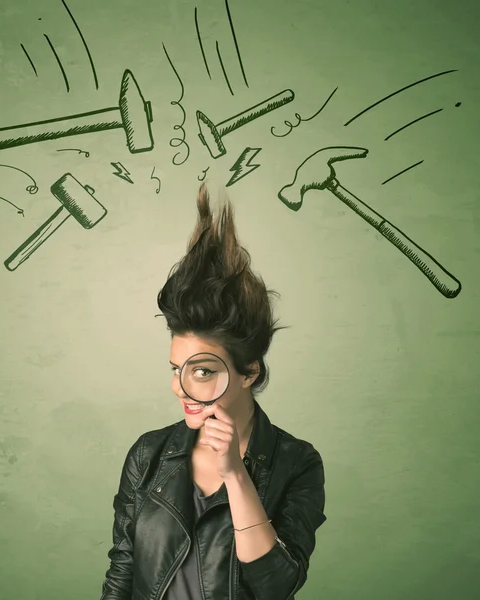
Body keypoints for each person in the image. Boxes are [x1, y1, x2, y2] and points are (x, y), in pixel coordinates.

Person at [99, 183, 327, 599]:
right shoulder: (149, 455)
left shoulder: (296, 463)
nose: (179, 388)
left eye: (202, 371)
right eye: (175, 369)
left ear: (249, 372)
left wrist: (236, 476)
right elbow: (123, 567)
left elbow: (278, 586)